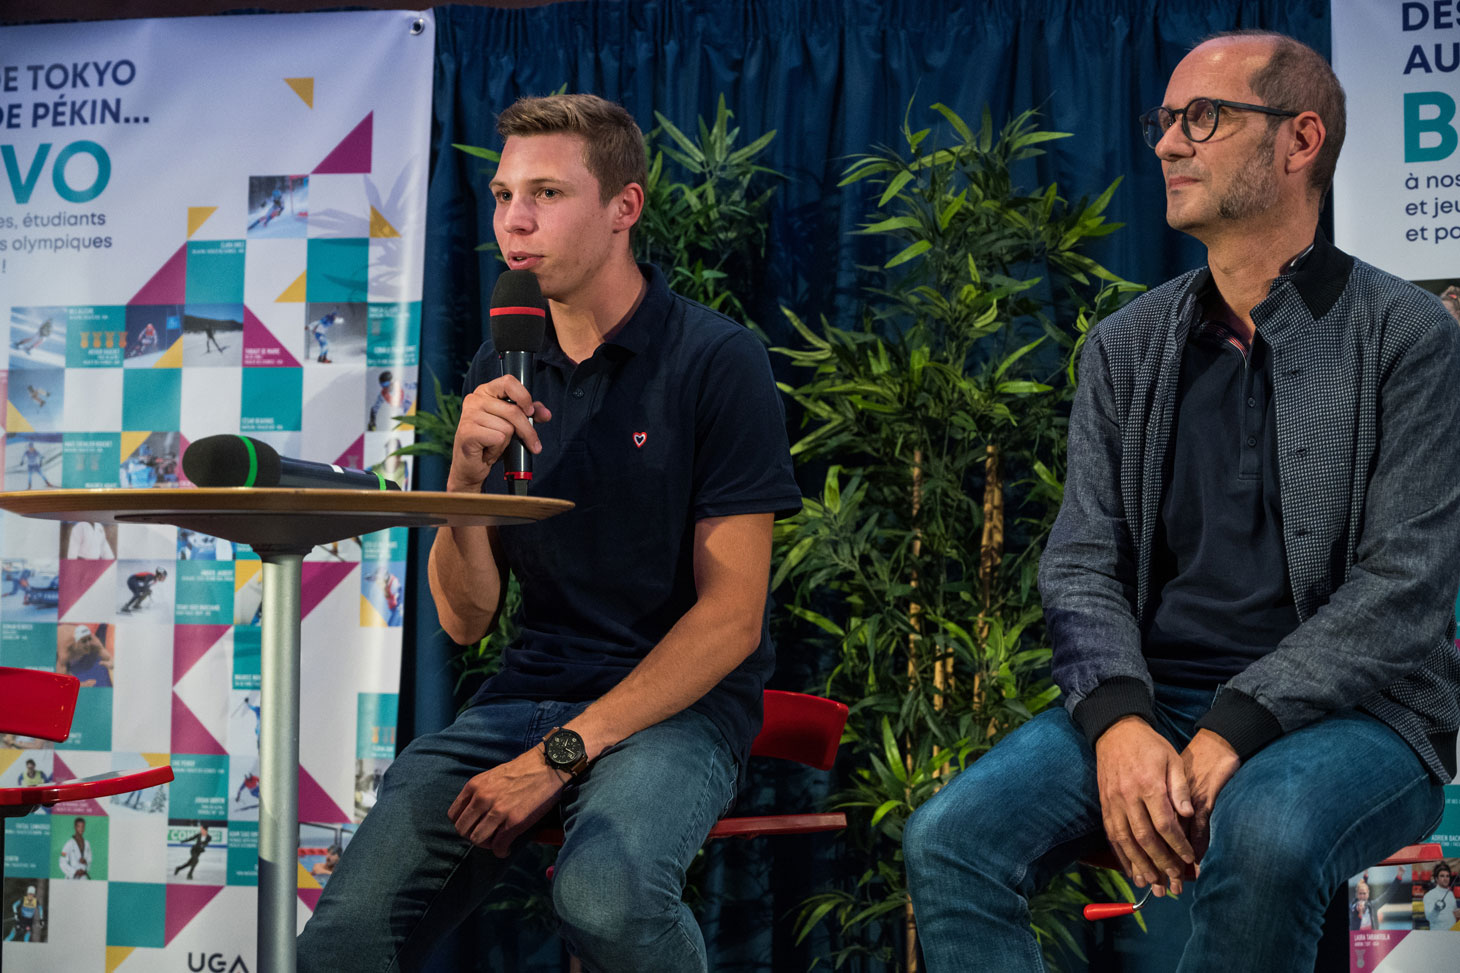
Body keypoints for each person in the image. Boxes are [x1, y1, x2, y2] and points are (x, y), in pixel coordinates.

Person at [904, 31, 1460, 972]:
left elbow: (1403, 586)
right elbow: (1082, 559)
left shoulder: (1406, 336)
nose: (1166, 143)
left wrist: (1237, 722)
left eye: (1203, 117)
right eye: (1164, 121)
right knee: (950, 838)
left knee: (1270, 831)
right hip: (1158, 696)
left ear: (1301, 140)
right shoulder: (1127, 343)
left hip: (1365, 713)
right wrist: (1120, 720)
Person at [297, 93, 799, 973]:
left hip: (674, 710)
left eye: (545, 195)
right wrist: (462, 482)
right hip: (522, 697)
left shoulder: (717, 360)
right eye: (500, 196)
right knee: (342, 941)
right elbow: (464, 619)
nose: (513, 222)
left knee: (604, 900)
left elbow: (731, 621)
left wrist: (560, 754)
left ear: (623, 209)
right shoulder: (503, 361)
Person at [56, 624, 112, 688]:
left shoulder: (94, 641)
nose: (88, 644)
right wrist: (81, 684)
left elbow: (108, 657)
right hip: (57, 638)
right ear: (76, 642)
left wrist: (111, 663)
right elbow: (61, 680)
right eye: (84, 641)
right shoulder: (66, 648)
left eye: (89, 639)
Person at [1420, 861, 1459, 931]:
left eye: (1447, 876)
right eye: (1442, 876)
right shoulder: (1429, 895)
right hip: (1438, 933)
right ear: (1436, 878)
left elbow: (1454, 913)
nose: (1445, 879)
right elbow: (1429, 918)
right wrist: (1436, 909)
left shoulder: (1450, 894)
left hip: (1452, 934)